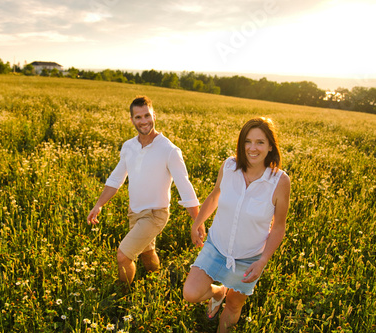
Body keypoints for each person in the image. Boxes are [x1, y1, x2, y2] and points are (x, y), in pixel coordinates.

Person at [183, 117, 291, 333]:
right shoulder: (229, 166)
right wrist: (198, 222)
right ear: (241, 143)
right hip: (217, 246)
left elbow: (279, 227)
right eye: (248, 141)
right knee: (191, 294)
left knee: (234, 304)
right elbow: (215, 195)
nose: (253, 148)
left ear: (271, 146)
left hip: (249, 257)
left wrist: (262, 260)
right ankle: (217, 292)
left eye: (260, 142)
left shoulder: (279, 181)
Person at [87, 95, 200, 286]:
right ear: (131, 120)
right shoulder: (129, 147)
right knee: (147, 253)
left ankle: (123, 296)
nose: (143, 121)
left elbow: (185, 187)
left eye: (147, 115)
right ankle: (156, 283)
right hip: (135, 212)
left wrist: (197, 223)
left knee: (123, 256)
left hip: (156, 215)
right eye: (138, 117)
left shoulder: (169, 150)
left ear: (154, 115)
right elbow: (115, 179)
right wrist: (99, 205)